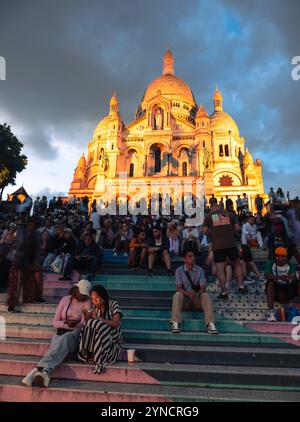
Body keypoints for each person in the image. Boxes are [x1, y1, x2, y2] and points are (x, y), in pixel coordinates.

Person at [22, 279, 91, 388]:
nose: (81, 295)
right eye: (80, 292)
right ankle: (45, 372)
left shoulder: (87, 303)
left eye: (84, 294)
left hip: (75, 334)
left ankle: (35, 370)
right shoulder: (65, 300)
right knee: (58, 342)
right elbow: (55, 322)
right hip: (61, 331)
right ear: (76, 289)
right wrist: (65, 324)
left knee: (65, 339)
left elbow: (83, 324)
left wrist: (73, 324)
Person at [203, 199, 248, 299]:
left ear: (211, 208)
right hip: (230, 243)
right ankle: (241, 286)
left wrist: (212, 235)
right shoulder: (228, 214)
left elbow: (205, 231)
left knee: (220, 269)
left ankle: (224, 292)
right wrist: (230, 232)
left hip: (217, 245)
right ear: (219, 206)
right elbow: (237, 228)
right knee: (237, 264)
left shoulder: (209, 217)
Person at [170, 249, 218, 334]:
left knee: (205, 295)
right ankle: (175, 322)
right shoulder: (179, 270)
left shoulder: (200, 270)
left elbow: (203, 288)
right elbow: (178, 288)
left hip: (196, 299)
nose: (193, 258)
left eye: (194, 256)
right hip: (185, 300)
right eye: (190, 256)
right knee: (177, 294)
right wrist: (188, 293)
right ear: (184, 259)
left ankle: (210, 324)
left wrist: (196, 293)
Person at [78, 284, 123, 374]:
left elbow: (115, 324)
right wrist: (86, 316)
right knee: (89, 323)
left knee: (99, 324)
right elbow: (90, 326)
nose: (95, 301)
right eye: (93, 299)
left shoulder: (113, 304)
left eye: (97, 298)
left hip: (113, 341)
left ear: (103, 296)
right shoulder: (95, 308)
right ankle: (88, 353)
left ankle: (98, 356)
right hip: (100, 339)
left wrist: (99, 319)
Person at [7, 217, 45, 312]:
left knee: (35, 279)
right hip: (18, 259)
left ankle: (34, 297)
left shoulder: (36, 234)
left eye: (32, 225)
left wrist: (36, 261)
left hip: (30, 260)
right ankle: (12, 304)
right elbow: (13, 243)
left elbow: (37, 249)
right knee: (14, 283)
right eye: (29, 225)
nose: (31, 227)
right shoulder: (20, 231)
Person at [265, 247, 299, 321]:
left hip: (288, 287)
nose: (285, 258)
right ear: (277, 257)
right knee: (270, 283)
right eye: (282, 256)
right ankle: (270, 313)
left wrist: (289, 278)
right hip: (276, 287)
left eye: (285, 256)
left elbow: (292, 277)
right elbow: (267, 275)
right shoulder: (271, 263)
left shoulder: (289, 264)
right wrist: (280, 277)